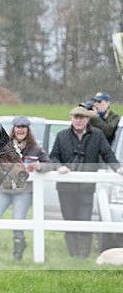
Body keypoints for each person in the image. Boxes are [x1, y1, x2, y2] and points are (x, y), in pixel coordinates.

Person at [49, 106, 123, 258]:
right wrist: (59, 166)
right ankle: (73, 255)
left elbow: (108, 154)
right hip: (65, 187)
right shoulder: (62, 135)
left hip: (86, 187)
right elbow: (54, 156)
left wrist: (117, 168)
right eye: (76, 117)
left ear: (87, 119)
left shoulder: (97, 135)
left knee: (85, 219)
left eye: (81, 117)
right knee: (69, 220)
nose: (78, 120)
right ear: (71, 119)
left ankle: (83, 256)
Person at [0, 116, 52, 260]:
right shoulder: (4, 146)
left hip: (23, 191)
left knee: (18, 222)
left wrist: (40, 166)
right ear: (14, 129)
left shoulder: (35, 148)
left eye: (23, 127)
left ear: (27, 130)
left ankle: (18, 255)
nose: (20, 130)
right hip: (3, 188)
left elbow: (49, 164)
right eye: (18, 127)